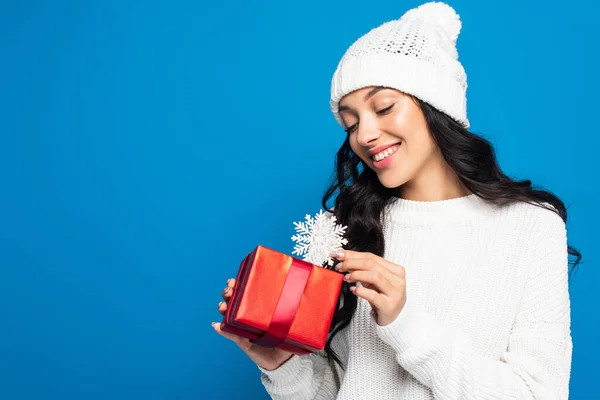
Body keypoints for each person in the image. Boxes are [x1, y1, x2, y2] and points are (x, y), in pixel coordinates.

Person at [212, 2, 581, 399]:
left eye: (384, 107)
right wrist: (281, 363)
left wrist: (406, 323)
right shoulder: (352, 227)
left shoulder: (530, 227)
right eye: (351, 123)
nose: (364, 135)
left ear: (436, 106)